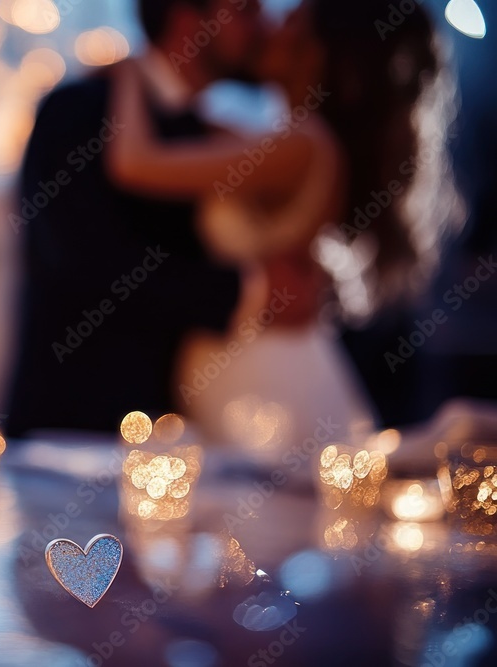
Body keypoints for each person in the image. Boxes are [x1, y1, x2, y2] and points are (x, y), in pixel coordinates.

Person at [104, 0, 459, 454]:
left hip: (264, 373)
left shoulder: (300, 147)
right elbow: (202, 134)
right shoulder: (288, 143)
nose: (266, 30)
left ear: (313, 55)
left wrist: (130, 73)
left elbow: (135, 162)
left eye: (286, 27)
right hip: (254, 357)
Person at [3, 0, 261, 436]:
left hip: (176, 436)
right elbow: (82, 260)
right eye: (245, 11)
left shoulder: (211, 136)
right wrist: (247, 290)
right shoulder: (78, 109)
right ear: (186, 20)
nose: (262, 25)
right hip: (69, 431)